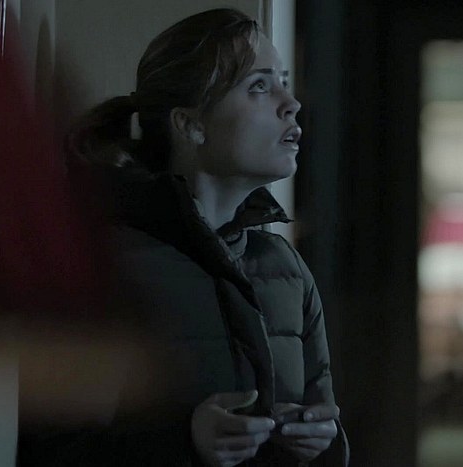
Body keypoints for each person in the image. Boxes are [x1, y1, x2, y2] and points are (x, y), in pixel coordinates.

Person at [17, 8, 347, 467]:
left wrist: (322, 441)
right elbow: (46, 450)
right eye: (259, 86)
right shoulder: (103, 265)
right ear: (191, 124)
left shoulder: (287, 268)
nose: (290, 103)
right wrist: (185, 442)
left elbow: (325, 429)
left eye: (284, 81)